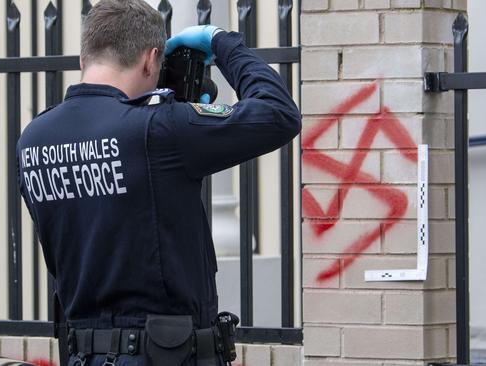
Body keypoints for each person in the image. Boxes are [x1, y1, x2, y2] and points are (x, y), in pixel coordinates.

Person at [16, 0, 300, 365]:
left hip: (84, 353)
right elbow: (278, 114)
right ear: (152, 60)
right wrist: (222, 42)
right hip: (165, 353)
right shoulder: (159, 130)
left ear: (83, 59)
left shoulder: (33, 138)